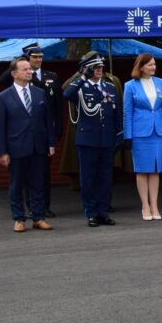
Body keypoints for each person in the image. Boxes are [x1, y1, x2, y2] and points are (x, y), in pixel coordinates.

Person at [62, 52, 123, 227]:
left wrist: (120, 134)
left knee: (105, 178)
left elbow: (116, 112)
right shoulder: (80, 86)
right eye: (95, 67)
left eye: (101, 67)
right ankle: (91, 212)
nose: (99, 69)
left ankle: (103, 212)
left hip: (107, 139)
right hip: (87, 139)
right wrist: (83, 77)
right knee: (88, 178)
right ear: (86, 68)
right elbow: (67, 94)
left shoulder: (109, 87)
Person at [0, 57, 55, 233]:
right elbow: (0, 127)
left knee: (38, 183)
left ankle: (38, 217)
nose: (29, 72)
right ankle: (19, 218)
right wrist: (3, 152)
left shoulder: (39, 93)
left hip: (38, 146)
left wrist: (51, 143)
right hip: (16, 147)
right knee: (16, 184)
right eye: (25, 69)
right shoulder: (4, 97)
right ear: (14, 74)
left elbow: (48, 120)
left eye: (30, 69)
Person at [124, 53, 162, 220]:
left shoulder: (160, 82)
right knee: (142, 170)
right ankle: (144, 205)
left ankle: (155, 204)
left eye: (154, 64)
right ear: (141, 66)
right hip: (139, 132)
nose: (153, 67)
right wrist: (128, 135)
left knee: (155, 170)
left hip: (158, 132)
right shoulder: (130, 86)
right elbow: (127, 112)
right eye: (150, 65)